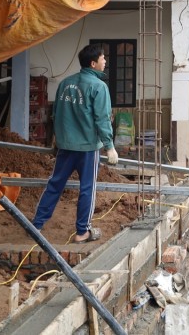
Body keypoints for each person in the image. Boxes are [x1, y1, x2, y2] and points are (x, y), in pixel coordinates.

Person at [32, 44, 119, 243]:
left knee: (55, 184)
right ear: (93, 63)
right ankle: (82, 232)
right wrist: (110, 146)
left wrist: (57, 140)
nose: (105, 61)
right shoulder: (99, 87)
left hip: (65, 146)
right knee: (87, 188)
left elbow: (56, 115)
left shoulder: (65, 84)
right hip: (87, 148)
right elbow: (103, 119)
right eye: (103, 58)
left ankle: (36, 225)